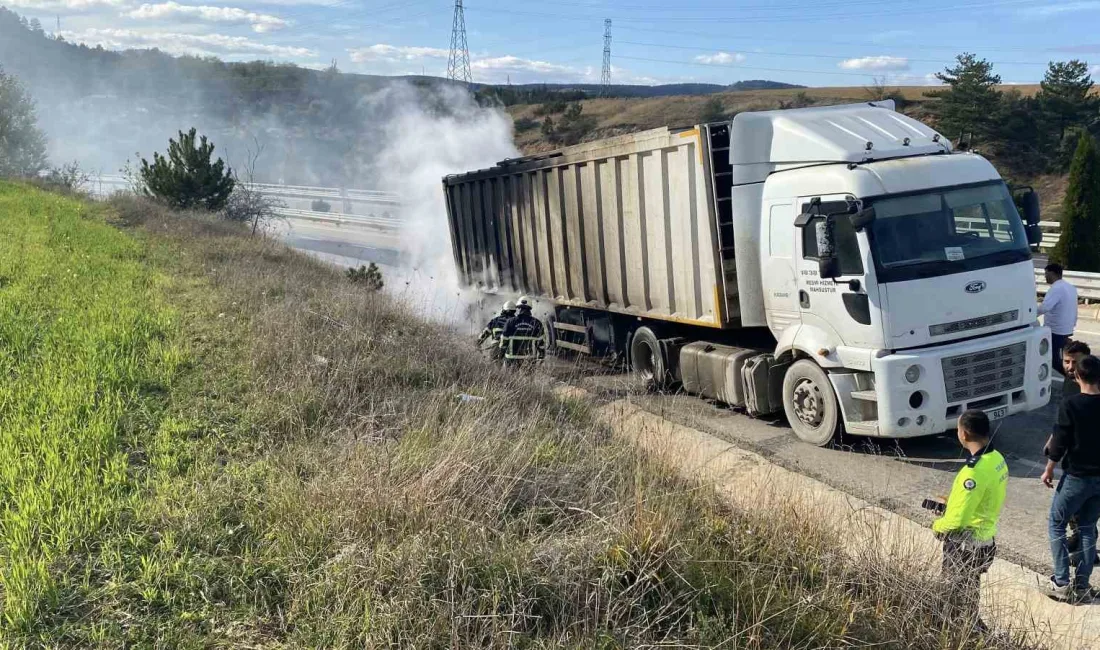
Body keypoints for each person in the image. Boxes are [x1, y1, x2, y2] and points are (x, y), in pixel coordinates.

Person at [932, 410, 1007, 627]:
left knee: (952, 596)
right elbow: (985, 496)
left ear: (963, 434)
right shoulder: (997, 459)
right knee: (969, 590)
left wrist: (938, 525)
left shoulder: (972, 472)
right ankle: (971, 625)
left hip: (966, 546)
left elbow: (957, 521)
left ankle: (957, 631)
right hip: (986, 541)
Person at [1042, 354, 1100, 602]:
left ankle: (1062, 581)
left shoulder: (1071, 404)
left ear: (1077, 376)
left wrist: (1049, 468)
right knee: (1088, 528)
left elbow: (1060, 441)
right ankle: (1082, 585)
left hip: (1077, 476)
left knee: (1057, 522)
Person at [1038, 263, 1078, 377]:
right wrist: (1073, 325)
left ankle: (1069, 379)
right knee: (1061, 356)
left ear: (1052, 273)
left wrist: (1029, 315)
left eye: (1046, 274)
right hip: (1066, 328)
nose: (1045, 277)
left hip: (1055, 330)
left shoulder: (1056, 288)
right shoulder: (1070, 287)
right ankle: (1070, 378)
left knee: (1054, 359)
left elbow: (1045, 307)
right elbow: (1075, 308)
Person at [500, 296, 545, 367]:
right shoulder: (537, 323)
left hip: (511, 360)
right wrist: (541, 357)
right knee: (528, 378)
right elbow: (541, 344)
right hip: (529, 359)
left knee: (512, 378)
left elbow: (504, 341)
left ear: (518, 308)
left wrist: (501, 355)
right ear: (530, 309)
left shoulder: (510, 322)